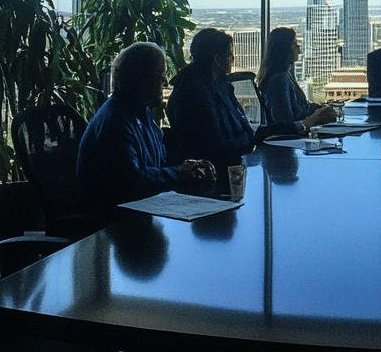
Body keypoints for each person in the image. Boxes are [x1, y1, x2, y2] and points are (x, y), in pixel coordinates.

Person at [76, 41, 214, 214]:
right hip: (114, 226)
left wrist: (189, 167)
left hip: (140, 212)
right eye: (161, 77)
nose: (164, 84)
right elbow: (131, 182)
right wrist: (179, 174)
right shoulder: (115, 123)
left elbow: (159, 161)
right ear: (143, 78)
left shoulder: (140, 112)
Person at [167, 28, 275, 171]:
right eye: (229, 54)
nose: (233, 58)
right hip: (213, 173)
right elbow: (215, 146)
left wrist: (246, 138)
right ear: (217, 59)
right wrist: (246, 140)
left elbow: (243, 127)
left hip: (232, 163)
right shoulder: (193, 94)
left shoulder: (221, 84)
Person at [256, 27, 338, 135]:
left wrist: (320, 109)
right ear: (285, 49)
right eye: (295, 45)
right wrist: (314, 118)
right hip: (292, 140)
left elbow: (301, 108)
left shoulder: (284, 75)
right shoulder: (279, 80)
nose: (299, 50)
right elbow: (285, 122)